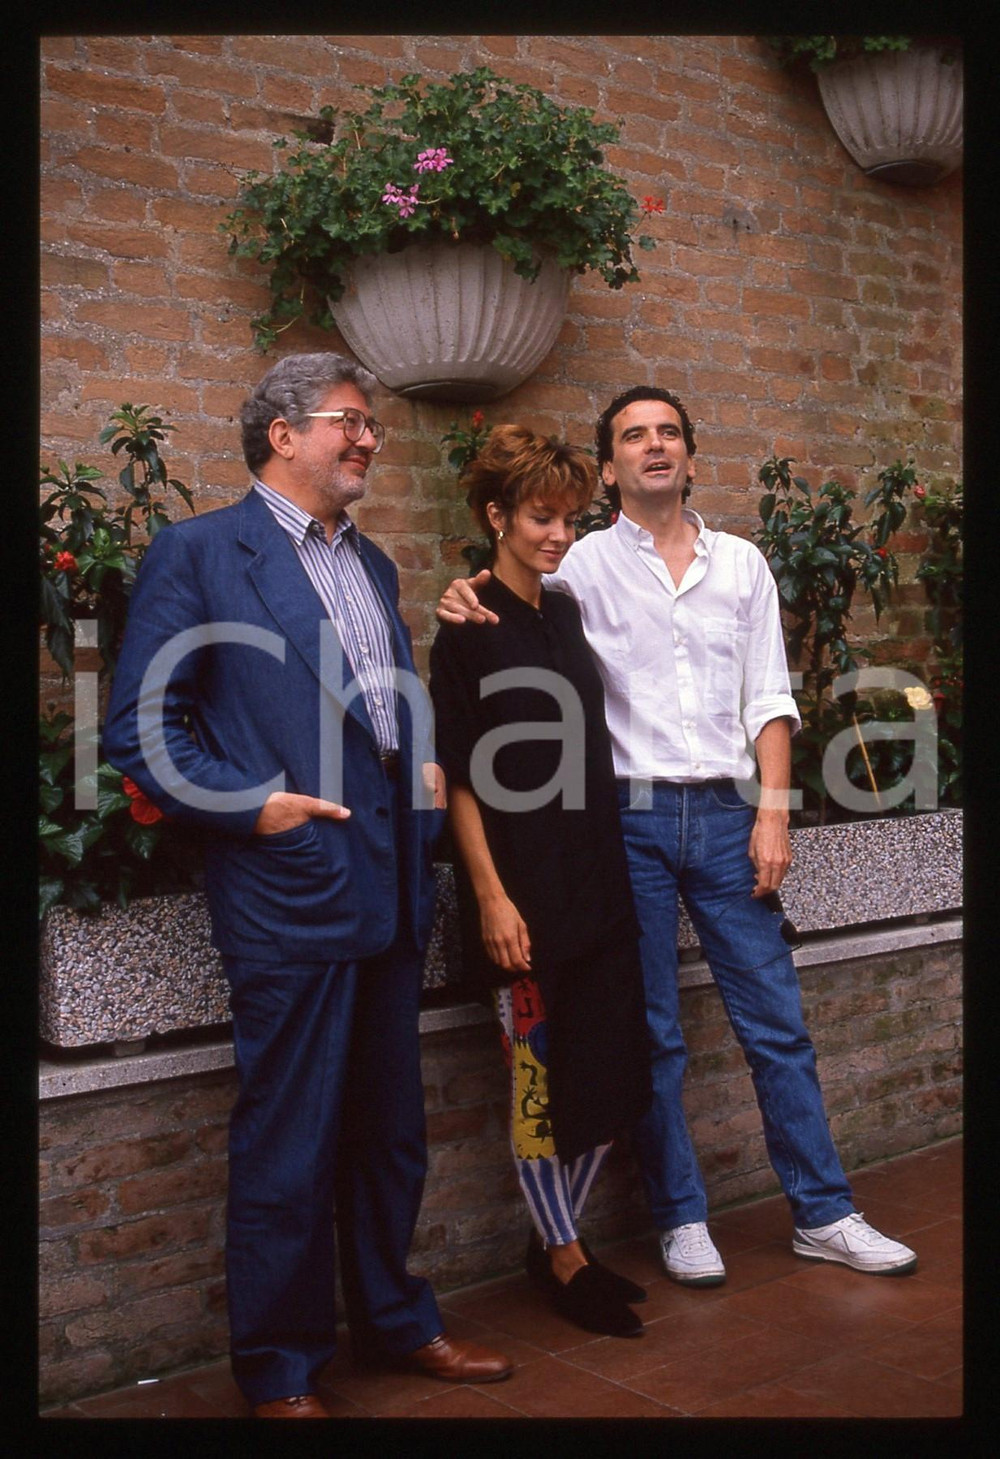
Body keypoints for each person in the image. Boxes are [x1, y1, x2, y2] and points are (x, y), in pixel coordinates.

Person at [104, 352, 513, 1419]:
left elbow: (373, 704)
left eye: (371, 424)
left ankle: (395, 1318)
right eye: (350, 421)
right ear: (282, 434)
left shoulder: (371, 564)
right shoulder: (199, 552)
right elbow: (142, 727)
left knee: (390, 1127)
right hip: (286, 888)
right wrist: (256, 809)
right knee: (289, 1133)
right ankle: (280, 1368)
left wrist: (417, 764)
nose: (368, 438)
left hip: (387, 885)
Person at [437, 386, 918, 1286]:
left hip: (735, 815)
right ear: (610, 464)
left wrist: (774, 811)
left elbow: (769, 696)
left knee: (776, 1021)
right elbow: (505, 597)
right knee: (652, 1029)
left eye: (669, 433)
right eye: (633, 436)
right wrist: (459, 594)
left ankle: (826, 1210)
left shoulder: (742, 564)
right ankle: (681, 1215)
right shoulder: (577, 567)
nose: (654, 446)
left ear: (692, 456)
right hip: (628, 819)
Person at [428, 426, 653, 1339]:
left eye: (569, 517)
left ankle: (555, 1240)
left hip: (596, 876)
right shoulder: (463, 626)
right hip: (518, 890)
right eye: (539, 517)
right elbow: (461, 775)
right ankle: (564, 1254)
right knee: (538, 1079)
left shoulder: (565, 611)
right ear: (496, 516)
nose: (559, 534)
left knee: (610, 1076)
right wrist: (489, 896)